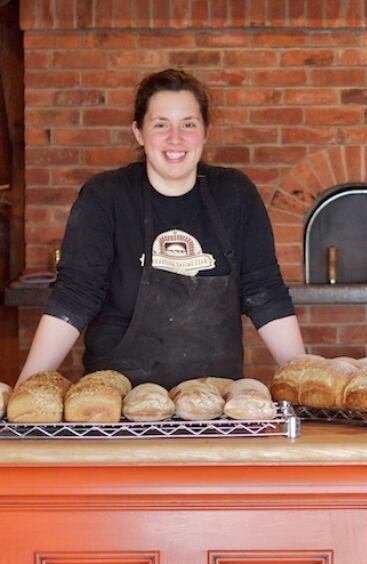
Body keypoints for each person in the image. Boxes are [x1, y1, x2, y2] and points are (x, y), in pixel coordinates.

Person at [17, 68, 305, 388]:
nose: (175, 139)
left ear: (205, 132)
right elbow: (74, 297)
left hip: (216, 405)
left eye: (189, 124)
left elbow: (264, 292)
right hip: (117, 405)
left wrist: (304, 381)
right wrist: (27, 387)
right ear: (139, 132)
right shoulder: (106, 197)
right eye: (160, 124)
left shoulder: (235, 194)